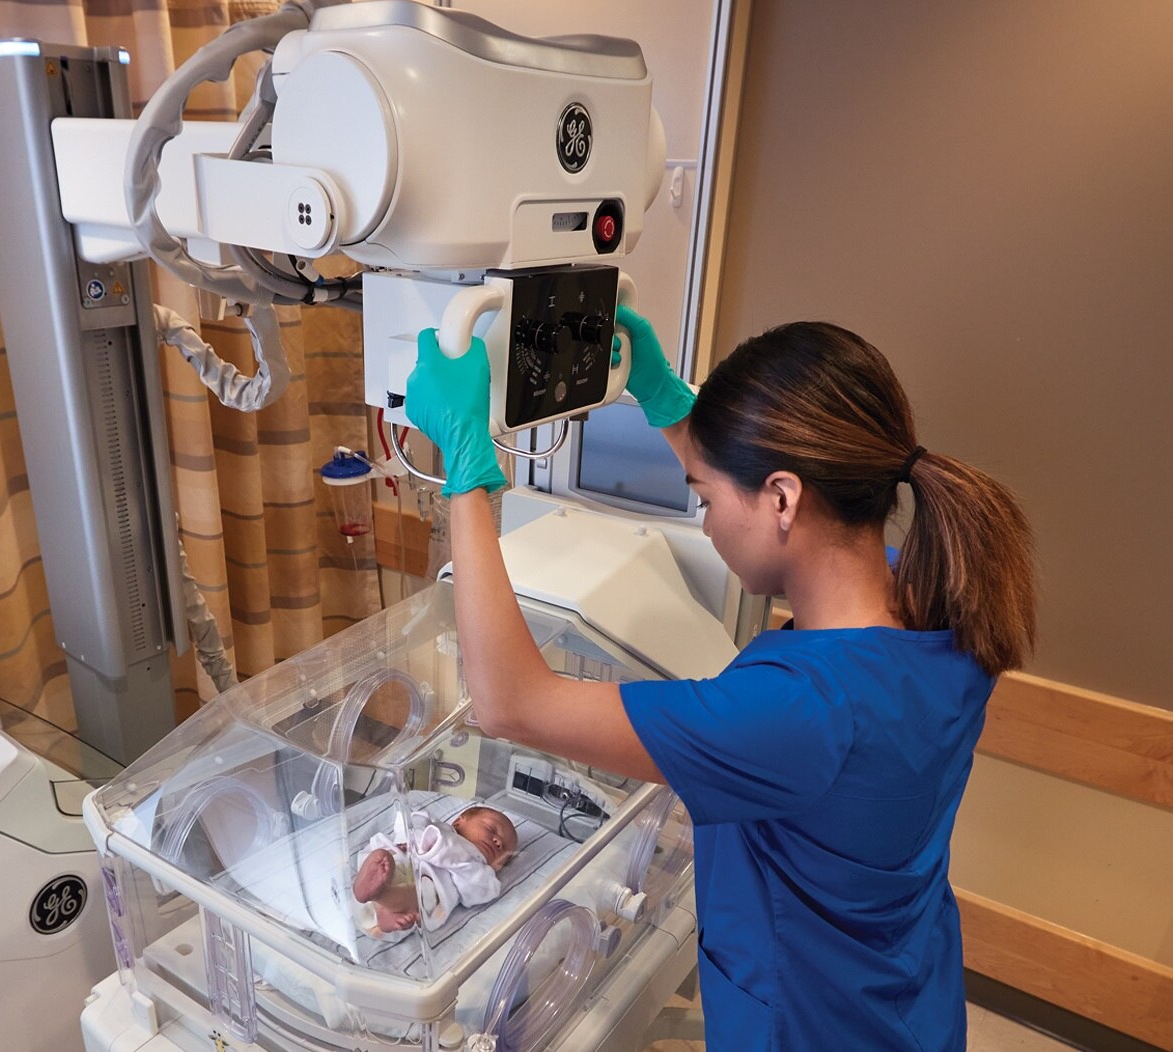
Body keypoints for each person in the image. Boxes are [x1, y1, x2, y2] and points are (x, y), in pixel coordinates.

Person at [403, 309, 1036, 1050]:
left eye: (704, 501)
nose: (705, 524)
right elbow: (756, 495)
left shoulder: (801, 709)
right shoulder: (933, 595)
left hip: (812, 1029)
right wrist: (669, 405)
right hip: (906, 998)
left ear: (784, 498)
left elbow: (510, 703)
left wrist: (468, 466)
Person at [351, 804, 518, 937]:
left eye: (504, 850)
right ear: (459, 822)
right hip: (397, 862)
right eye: (491, 829)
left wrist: (450, 854)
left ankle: (383, 901)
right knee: (384, 858)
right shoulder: (438, 828)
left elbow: (479, 891)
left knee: (424, 898)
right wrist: (413, 834)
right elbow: (406, 820)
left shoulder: (480, 869)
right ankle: (371, 890)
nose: (498, 842)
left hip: (420, 892)